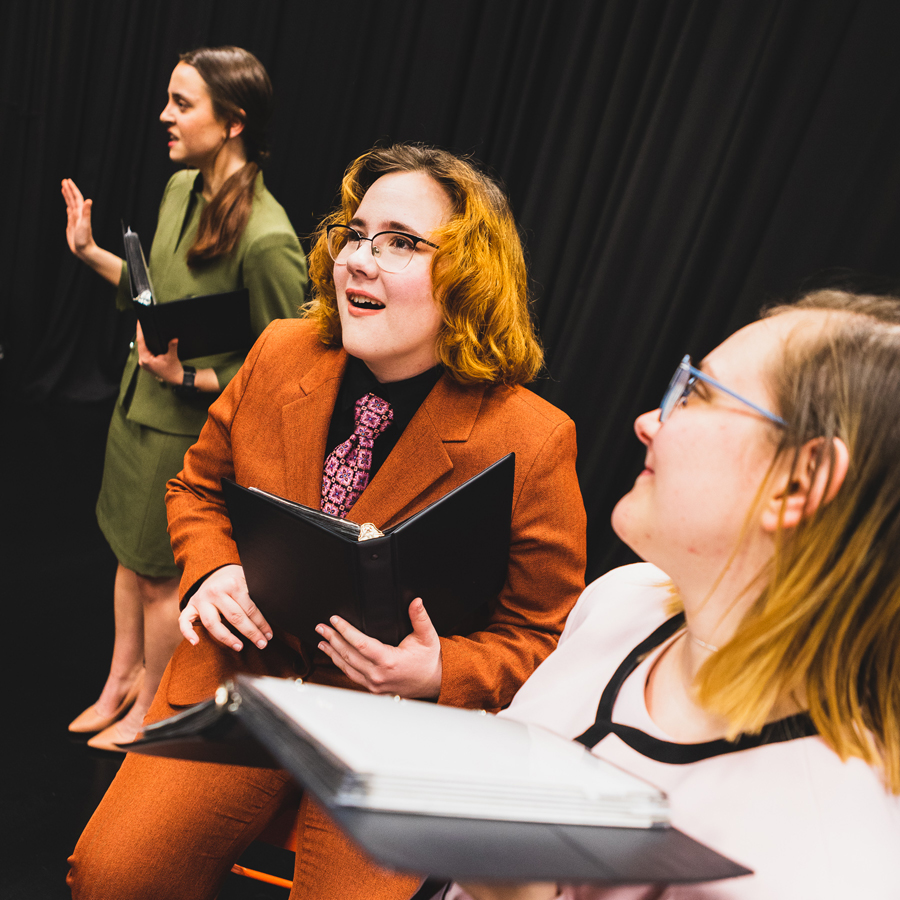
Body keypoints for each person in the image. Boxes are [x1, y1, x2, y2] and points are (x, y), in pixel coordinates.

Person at [67, 143, 588, 900]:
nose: (357, 260)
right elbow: (197, 489)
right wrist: (214, 570)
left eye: (401, 242)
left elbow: (541, 635)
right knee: (113, 877)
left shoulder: (533, 439)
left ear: (470, 276)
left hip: (398, 737)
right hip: (241, 684)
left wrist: (439, 671)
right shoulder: (281, 351)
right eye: (355, 232)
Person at [450, 290, 900, 900]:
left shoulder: (830, 861)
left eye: (698, 393)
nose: (649, 421)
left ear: (800, 481)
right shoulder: (622, 602)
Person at [61, 46, 307, 751]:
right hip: (134, 414)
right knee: (127, 560)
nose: (165, 116)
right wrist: (90, 254)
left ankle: (151, 713)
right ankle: (120, 684)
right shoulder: (180, 192)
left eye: (182, 103)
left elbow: (285, 372)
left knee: (160, 583)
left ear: (232, 122)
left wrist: (191, 381)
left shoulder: (267, 239)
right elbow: (153, 302)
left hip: (183, 434)